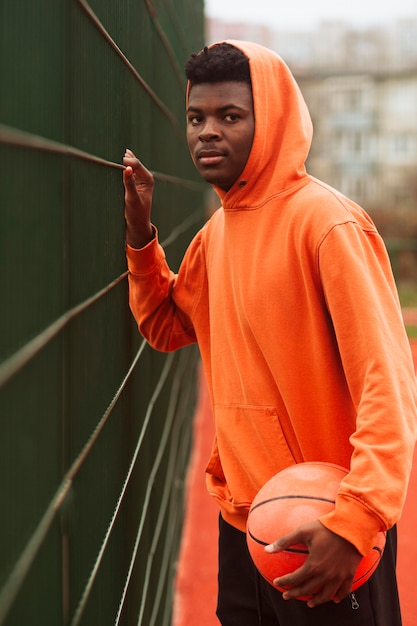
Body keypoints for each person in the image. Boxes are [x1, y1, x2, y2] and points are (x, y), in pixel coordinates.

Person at [122, 40, 417, 625]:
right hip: (246, 526)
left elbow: (389, 382)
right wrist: (140, 236)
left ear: (273, 120)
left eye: (230, 116)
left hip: (327, 528)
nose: (208, 132)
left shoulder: (326, 224)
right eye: (196, 117)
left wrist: (356, 520)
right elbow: (165, 326)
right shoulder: (216, 234)